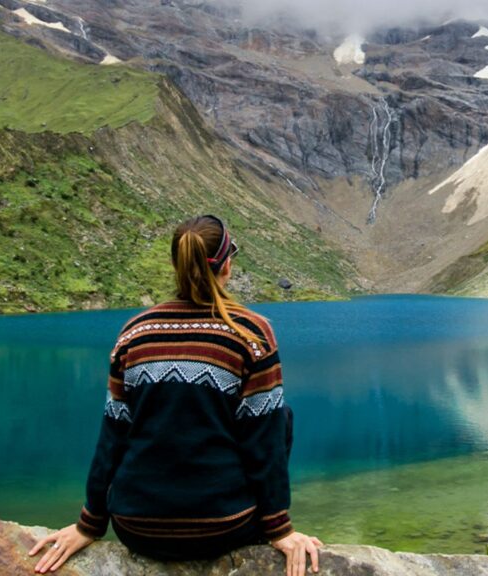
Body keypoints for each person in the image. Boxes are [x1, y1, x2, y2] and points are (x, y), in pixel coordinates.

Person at [29, 215, 322, 576]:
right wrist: (280, 529)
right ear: (227, 265)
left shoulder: (135, 332)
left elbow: (113, 436)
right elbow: (265, 441)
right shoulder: (250, 334)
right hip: (223, 527)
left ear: (175, 264)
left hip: (136, 526)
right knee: (279, 416)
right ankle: (267, 523)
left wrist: (89, 524)